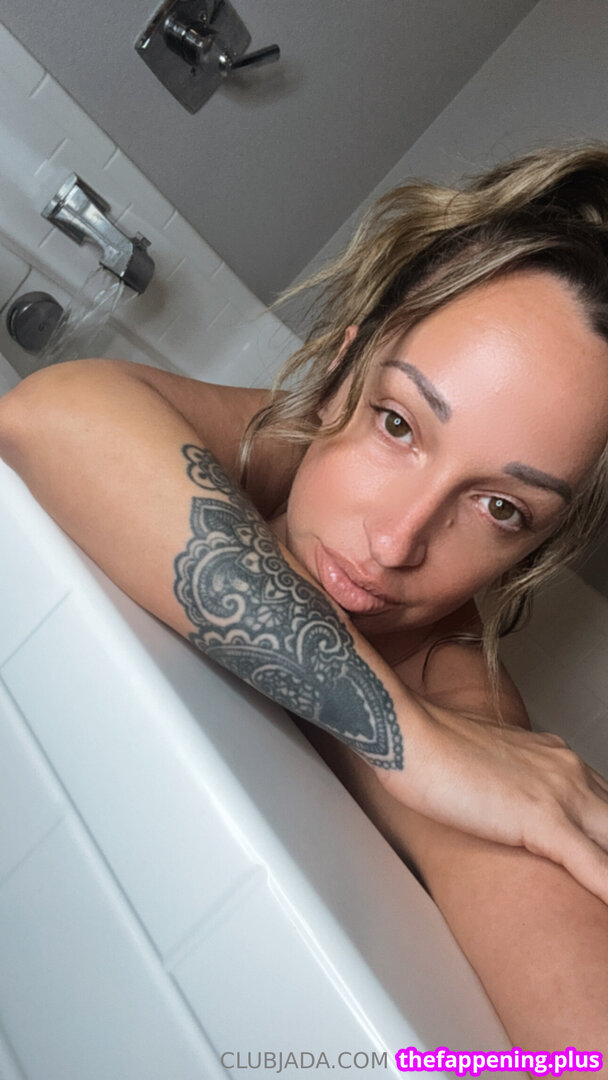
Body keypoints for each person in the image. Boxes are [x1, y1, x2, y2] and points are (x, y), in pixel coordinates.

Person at [1, 143, 608, 1057]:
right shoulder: (273, 449)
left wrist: (447, 740)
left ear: (536, 548)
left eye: (500, 508)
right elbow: (49, 413)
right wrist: (413, 746)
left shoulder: (461, 693)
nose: (396, 542)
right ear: (339, 375)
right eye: (398, 424)